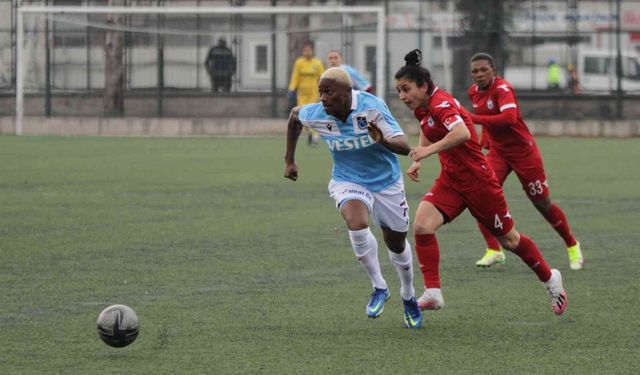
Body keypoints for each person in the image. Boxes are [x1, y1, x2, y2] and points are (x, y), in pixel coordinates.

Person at [395, 49, 568, 316]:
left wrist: (428, 152)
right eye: (399, 91)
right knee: (422, 225)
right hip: (451, 182)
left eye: (406, 89)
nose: (403, 96)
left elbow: (462, 133)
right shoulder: (423, 107)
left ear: (424, 86)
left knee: (510, 241)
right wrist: (419, 156)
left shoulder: (442, 103)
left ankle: (550, 278)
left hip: (479, 183)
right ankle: (433, 293)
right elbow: (426, 127)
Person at [284, 67, 423, 329]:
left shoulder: (371, 107)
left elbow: (405, 148)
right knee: (356, 223)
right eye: (320, 92)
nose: (323, 98)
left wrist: (381, 139)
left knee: (396, 242)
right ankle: (379, 287)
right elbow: (294, 118)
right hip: (348, 179)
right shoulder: (316, 113)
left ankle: (408, 294)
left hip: (386, 182)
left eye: (329, 92)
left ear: (348, 92)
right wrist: (289, 159)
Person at [468, 52, 583, 270]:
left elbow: (509, 119)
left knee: (542, 204)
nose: (480, 74)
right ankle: (494, 249)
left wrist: (474, 119)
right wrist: (485, 136)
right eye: (475, 71)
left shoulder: (503, 89)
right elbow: (487, 119)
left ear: (494, 71)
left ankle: (572, 244)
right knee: (479, 195)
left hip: (523, 153)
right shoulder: (473, 92)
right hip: (499, 152)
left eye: (484, 69)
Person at [288, 41, 325, 146]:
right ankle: (309, 133)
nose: (307, 53)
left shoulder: (317, 63)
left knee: (312, 114)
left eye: (309, 50)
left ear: (312, 51)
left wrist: (324, 91)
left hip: (313, 93)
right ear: (302, 52)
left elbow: (322, 78)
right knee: (302, 115)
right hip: (302, 93)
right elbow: (295, 77)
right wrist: (292, 88)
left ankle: (315, 136)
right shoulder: (299, 63)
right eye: (305, 51)